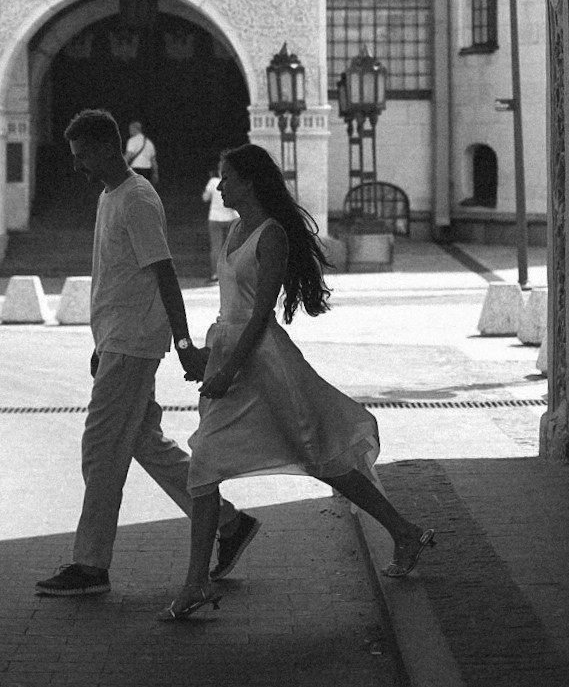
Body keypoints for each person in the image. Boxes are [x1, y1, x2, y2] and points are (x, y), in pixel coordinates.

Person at [160, 143, 435, 621]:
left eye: (226, 177)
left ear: (249, 180)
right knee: (204, 466)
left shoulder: (272, 235)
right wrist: (209, 355)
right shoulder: (235, 231)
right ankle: (196, 583)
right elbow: (232, 309)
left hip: (264, 363)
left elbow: (261, 314)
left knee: (320, 457)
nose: (220, 185)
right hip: (233, 352)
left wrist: (226, 369)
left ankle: (404, 531)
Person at [36, 109, 260, 598]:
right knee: (143, 442)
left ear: (105, 149)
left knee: (100, 452)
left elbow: (164, 273)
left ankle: (91, 565)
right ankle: (228, 522)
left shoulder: (136, 198)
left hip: (133, 345)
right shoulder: (109, 196)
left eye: (81, 156)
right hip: (118, 341)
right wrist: (101, 344)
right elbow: (116, 279)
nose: (77, 166)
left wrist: (183, 345)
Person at [201, 164, 237, 281]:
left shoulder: (213, 182)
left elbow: (205, 198)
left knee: (216, 247)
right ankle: (231, 273)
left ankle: (215, 275)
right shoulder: (234, 181)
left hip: (215, 218)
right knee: (232, 247)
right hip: (231, 218)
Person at [124, 119, 157, 187]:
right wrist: (155, 173)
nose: (129, 131)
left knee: (134, 190)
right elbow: (153, 161)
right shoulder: (149, 142)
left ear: (135, 129)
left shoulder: (132, 141)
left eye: (130, 129)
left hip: (136, 170)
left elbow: (128, 156)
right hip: (148, 171)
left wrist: (121, 166)